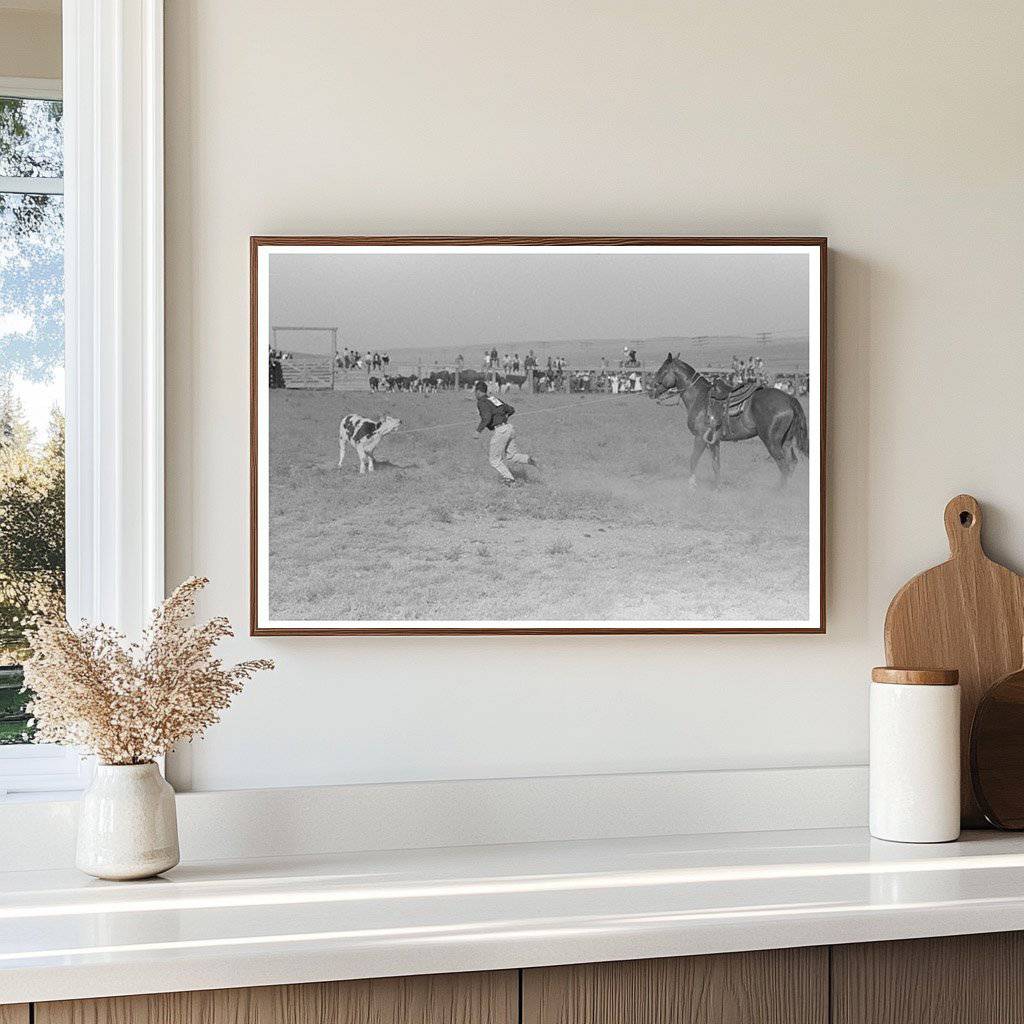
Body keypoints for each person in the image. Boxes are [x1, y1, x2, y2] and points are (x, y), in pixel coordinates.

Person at [474, 379, 536, 487]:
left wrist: (478, 431)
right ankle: (530, 460)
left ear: (478, 391)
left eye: (475, 392)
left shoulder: (481, 402)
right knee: (512, 456)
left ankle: (510, 480)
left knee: (494, 460)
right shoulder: (493, 399)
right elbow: (511, 409)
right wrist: (503, 418)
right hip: (509, 428)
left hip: (501, 431)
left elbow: (486, 418)